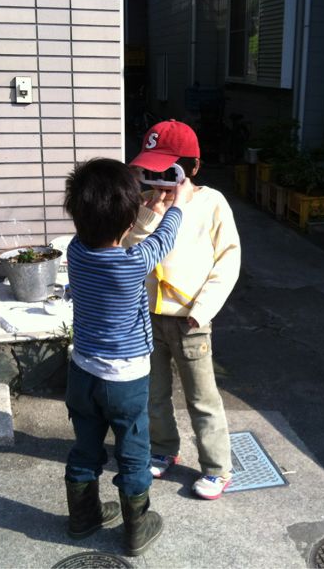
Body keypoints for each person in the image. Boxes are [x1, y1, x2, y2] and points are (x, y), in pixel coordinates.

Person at [62, 157, 193, 556]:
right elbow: (163, 240)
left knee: (85, 448)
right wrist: (177, 204)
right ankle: (137, 528)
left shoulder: (75, 251)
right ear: (128, 220)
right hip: (126, 382)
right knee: (134, 454)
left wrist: (143, 212)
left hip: (82, 374)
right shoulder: (132, 263)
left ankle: (83, 517)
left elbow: (118, 236)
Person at [125, 120, 241, 500]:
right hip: (148, 317)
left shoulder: (211, 203)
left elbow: (228, 259)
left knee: (202, 397)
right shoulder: (145, 204)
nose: (159, 178)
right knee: (153, 393)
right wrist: (149, 214)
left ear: (192, 167)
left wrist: (203, 308)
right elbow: (131, 256)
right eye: (151, 170)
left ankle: (217, 467)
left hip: (191, 320)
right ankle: (163, 448)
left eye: (168, 170)